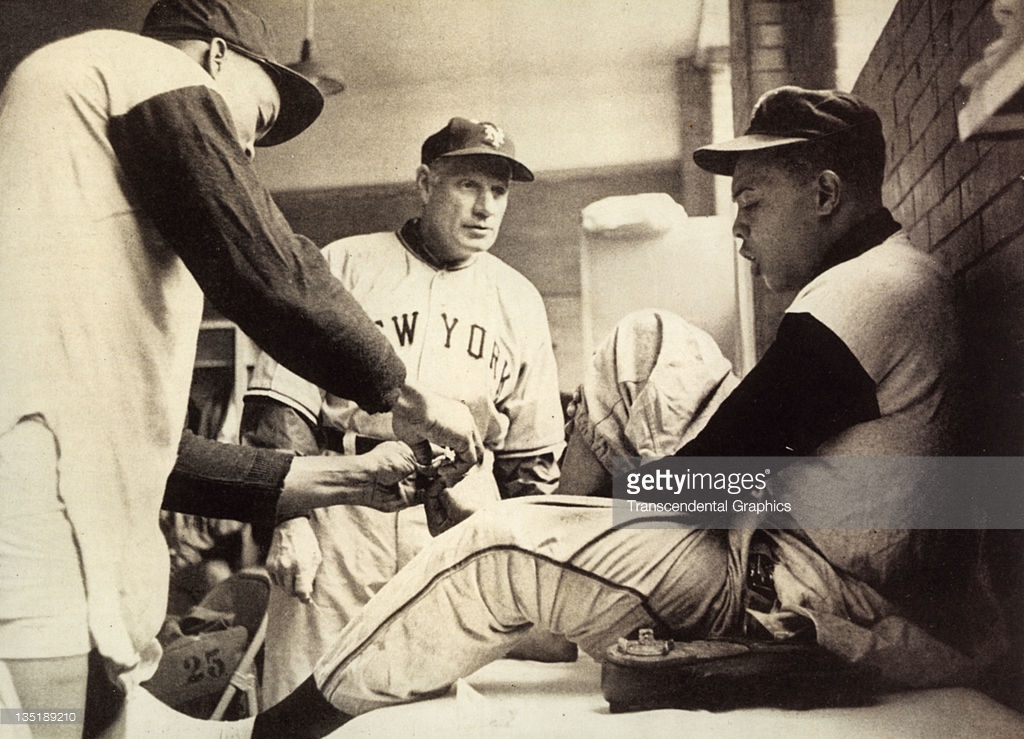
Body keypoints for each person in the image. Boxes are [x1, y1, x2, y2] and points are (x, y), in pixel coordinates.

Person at [246, 87, 1004, 738]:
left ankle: (286, 727)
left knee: (496, 547)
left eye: (751, 203)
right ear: (425, 183)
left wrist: (616, 497)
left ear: (827, 194)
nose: (738, 227)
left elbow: (702, 487)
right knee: (644, 338)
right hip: (799, 544)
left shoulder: (866, 293)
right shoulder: (895, 274)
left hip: (794, 581)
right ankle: (558, 573)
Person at [0, 1, 481, 736]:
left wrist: (353, 478)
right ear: (216, 58)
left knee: (91, 705)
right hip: (38, 494)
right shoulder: (135, 67)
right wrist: (402, 389)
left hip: (70, 483)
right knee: (48, 718)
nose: (244, 157)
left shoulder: (92, 241)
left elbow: (169, 460)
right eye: (252, 125)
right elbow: (262, 260)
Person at [241, 117, 566, 705]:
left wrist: (525, 572)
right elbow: (278, 405)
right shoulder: (344, 265)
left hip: (459, 520)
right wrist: (288, 520)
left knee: (431, 710)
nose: (485, 207)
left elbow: (531, 460)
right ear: (424, 182)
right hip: (341, 513)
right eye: (468, 184)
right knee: (305, 699)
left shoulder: (518, 298)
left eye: (499, 191)